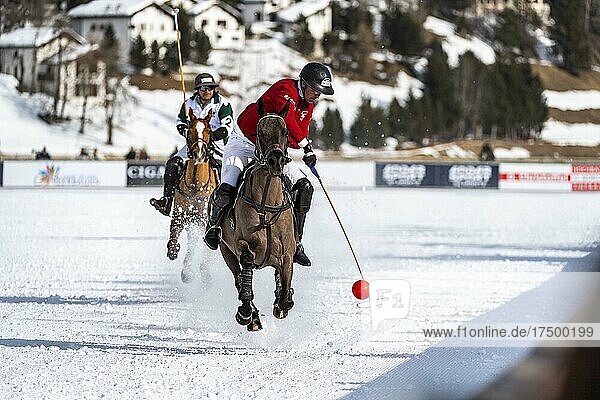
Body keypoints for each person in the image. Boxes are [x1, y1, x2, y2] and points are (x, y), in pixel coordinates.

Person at [203, 62, 335, 267]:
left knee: (304, 187)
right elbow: (288, 121)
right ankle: (214, 228)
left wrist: (301, 147)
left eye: (320, 92)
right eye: (316, 90)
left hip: (272, 150)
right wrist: (306, 147)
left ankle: (296, 241)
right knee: (228, 184)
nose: (318, 95)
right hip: (244, 143)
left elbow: (296, 134)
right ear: (305, 83)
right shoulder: (285, 90)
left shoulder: (307, 106)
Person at [150, 73, 234, 216]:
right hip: (193, 144)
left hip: (218, 144)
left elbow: (228, 126)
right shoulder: (189, 103)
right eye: (203, 88)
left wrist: (211, 136)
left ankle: (228, 205)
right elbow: (180, 121)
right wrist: (185, 131)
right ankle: (167, 201)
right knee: (173, 163)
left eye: (209, 88)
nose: (206, 91)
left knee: (227, 169)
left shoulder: (222, 103)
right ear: (197, 90)